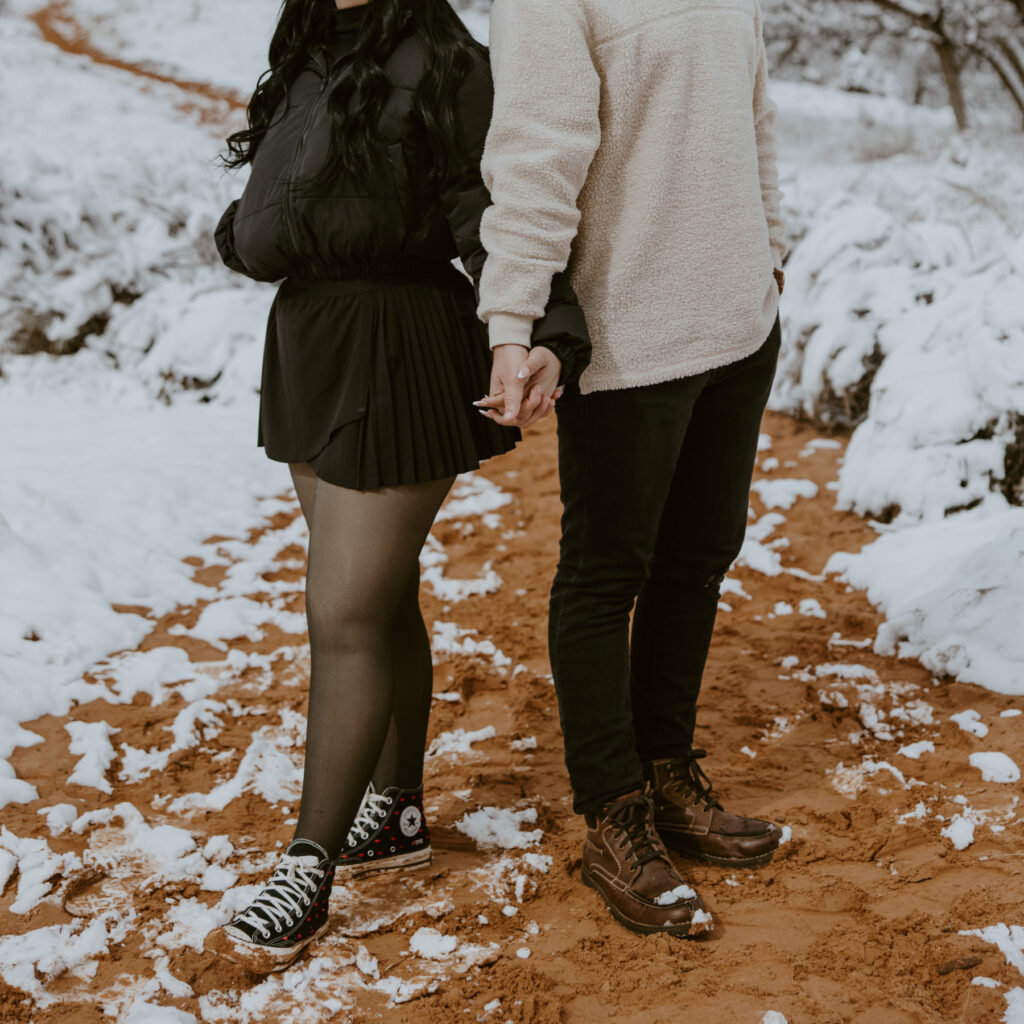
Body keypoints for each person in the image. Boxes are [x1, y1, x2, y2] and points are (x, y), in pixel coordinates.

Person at [205, 0, 589, 973]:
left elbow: (493, 204)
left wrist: (539, 329)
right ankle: (397, 810)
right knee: (374, 600)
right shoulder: (307, 48)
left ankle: (308, 861)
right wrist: (246, 228)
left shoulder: (447, 57)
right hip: (311, 343)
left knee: (340, 612)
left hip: (395, 344)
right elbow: (294, 190)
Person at [477, 0, 787, 937]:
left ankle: (666, 774)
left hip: (741, 324)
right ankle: (613, 815)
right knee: (606, 573)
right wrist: (512, 320)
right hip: (628, 336)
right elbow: (537, 147)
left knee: (698, 559)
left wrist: (772, 253)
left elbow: (756, 118)